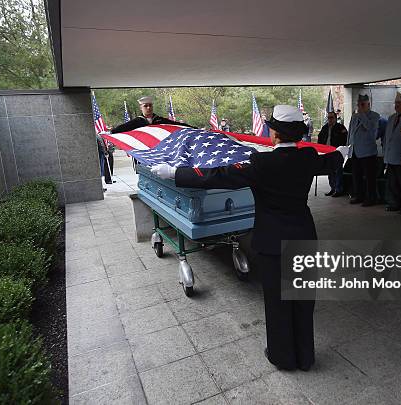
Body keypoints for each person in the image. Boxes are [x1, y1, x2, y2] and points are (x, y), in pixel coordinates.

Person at [151, 105, 347, 371]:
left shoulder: (261, 164)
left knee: (277, 302)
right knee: (302, 300)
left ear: (274, 133)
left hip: (272, 241)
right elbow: (332, 161)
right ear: (298, 134)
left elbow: (218, 176)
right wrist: (343, 154)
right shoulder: (309, 157)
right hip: (303, 237)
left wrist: (175, 173)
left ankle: (282, 356)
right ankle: (305, 357)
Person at [347, 94, 381, 206]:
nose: (360, 106)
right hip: (355, 151)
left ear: (368, 104)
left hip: (368, 152)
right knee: (356, 176)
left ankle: (371, 198)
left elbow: (372, 132)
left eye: (362, 104)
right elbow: (350, 132)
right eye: (358, 104)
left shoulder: (374, 116)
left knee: (369, 177)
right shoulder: (354, 116)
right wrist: (348, 147)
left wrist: (362, 114)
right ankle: (358, 196)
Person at [111, 96, 193, 133]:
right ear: (141, 108)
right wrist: (111, 132)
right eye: (145, 106)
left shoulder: (159, 120)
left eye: (150, 105)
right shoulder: (136, 121)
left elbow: (176, 125)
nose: (148, 108)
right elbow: (123, 127)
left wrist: (193, 128)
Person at [317, 111, 348, 197]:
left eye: (331, 117)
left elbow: (345, 139)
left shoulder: (340, 127)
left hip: (337, 152)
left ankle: (339, 190)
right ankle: (333, 188)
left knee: (338, 171)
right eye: (328, 118)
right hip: (327, 152)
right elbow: (320, 139)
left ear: (335, 118)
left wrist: (340, 149)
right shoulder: (324, 128)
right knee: (330, 171)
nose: (329, 119)